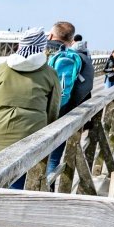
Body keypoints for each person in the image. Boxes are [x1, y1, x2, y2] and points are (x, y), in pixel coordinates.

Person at [0, 27, 61, 227]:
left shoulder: (2, 68)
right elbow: (53, 108)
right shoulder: (48, 73)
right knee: (16, 186)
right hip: (29, 133)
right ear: (42, 48)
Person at [44, 21, 84, 178]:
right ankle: (49, 189)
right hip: (65, 111)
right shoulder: (77, 57)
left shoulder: (41, 50)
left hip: (40, 111)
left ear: (52, 35)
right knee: (54, 157)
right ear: (71, 38)